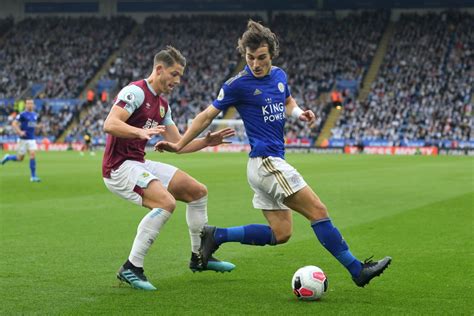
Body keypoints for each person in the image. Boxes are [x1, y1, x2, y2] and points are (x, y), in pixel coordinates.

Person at [155, 21, 391, 288]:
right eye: (250, 58)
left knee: (282, 233)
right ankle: (357, 270)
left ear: (272, 55)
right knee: (318, 210)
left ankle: (216, 235)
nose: (256, 64)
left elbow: (287, 101)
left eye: (261, 58)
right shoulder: (237, 85)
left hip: (267, 165)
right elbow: (206, 116)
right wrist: (179, 144)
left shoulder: (279, 76)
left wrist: (299, 113)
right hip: (266, 162)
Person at [102, 46, 236, 291]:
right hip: (118, 167)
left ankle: (199, 258)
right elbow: (110, 124)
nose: (178, 80)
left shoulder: (163, 105)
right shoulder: (136, 92)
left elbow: (178, 145)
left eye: (180, 76)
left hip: (138, 161)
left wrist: (206, 141)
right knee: (166, 203)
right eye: (174, 74)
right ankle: (132, 267)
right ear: (159, 69)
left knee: (197, 192)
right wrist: (139, 131)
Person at [1, 99, 41, 182]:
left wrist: (37, 127)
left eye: (31, 103)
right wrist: (19, 132)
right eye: (28, 103)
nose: (30, 105)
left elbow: (31, 125)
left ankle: (33, 176)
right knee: (20, 159)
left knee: (32, 155)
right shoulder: (22, 114)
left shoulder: (35, 115)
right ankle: (8, 157)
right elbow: (14, 123)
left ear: (33, 105)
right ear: (26, 105)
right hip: (23, 140)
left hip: (31, 139)